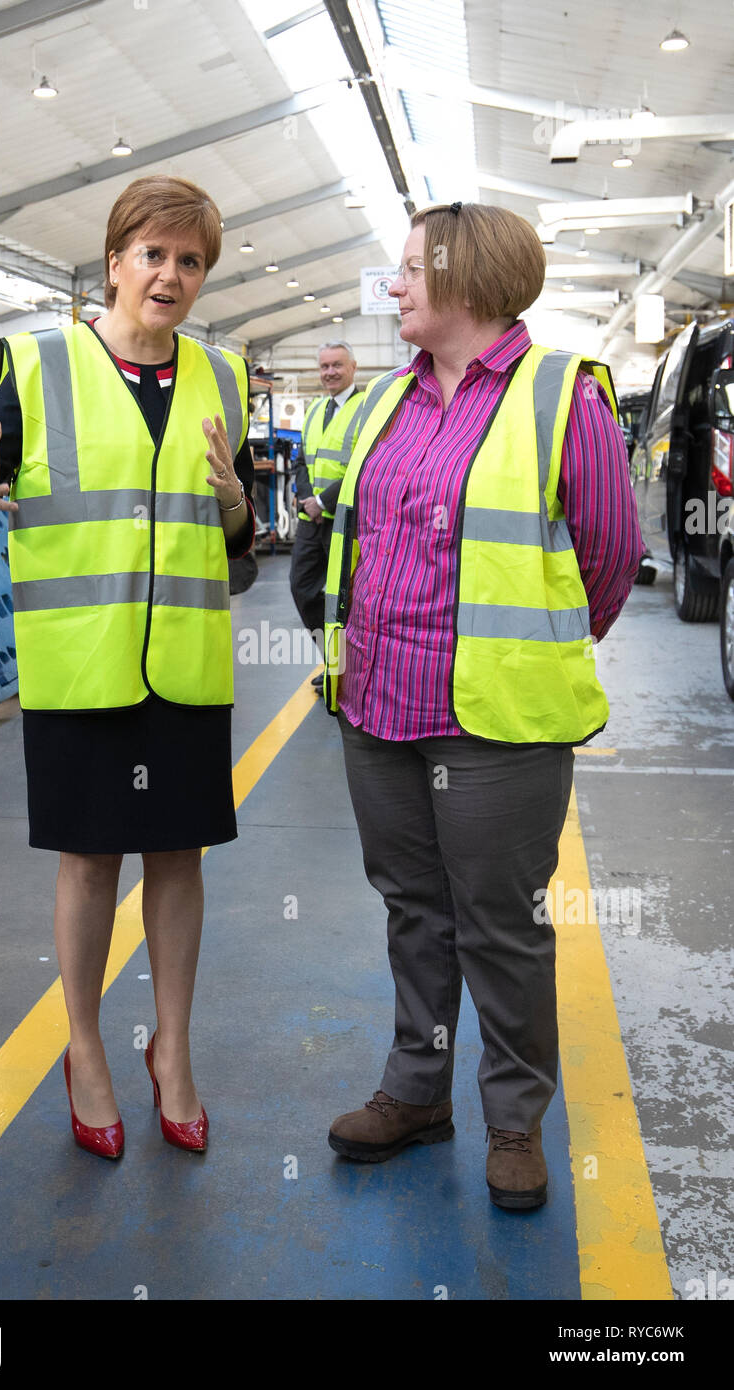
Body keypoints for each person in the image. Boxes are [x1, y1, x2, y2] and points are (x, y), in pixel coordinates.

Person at [321, 201, 644, 1209]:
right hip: (378, 703)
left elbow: (604, 556)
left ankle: (514, 1120)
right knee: (414, 911)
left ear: (467, 278)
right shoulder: (383, 401)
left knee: (497, 924)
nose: (396, 285)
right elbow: (350, 538)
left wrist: (525, 649)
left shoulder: (560, 395)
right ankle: (416, 1091)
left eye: (413, 268)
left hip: (496, 721)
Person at [0, 175, 256, 1160]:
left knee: (177, 857)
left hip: (185, 670)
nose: (169, 274)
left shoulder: (223, 378)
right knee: (90, 860)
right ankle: (83, 1048)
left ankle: (173, 1049)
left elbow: (236, 553)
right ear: (113, 259)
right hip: (81, 669)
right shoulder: (38, 364)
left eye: (189, 259)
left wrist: (239, 505)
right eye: (151, 254)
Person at [289, 341, 361, 693]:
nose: (329, 372)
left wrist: (322, 500)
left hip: (346, 521)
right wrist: (307, 500)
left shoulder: (366, 408)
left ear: (353, 367)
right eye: (324, 367)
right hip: (311, 520)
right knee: (303, 589)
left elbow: (366, 465)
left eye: (337, 365)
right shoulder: (315, 409)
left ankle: (347, 670)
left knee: (346, 599)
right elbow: (302, 460)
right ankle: (335, 662)